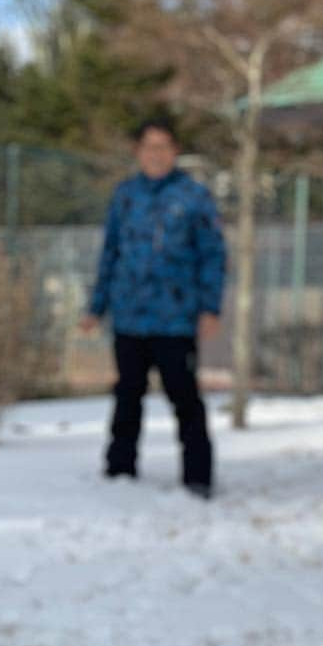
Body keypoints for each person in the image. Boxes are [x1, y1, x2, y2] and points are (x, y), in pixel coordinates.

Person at [82, 118, 227, 497]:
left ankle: (198, 477)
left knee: (184, 398)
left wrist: (210, 307)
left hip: (175, 319)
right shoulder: (125, 196)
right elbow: (110, 253)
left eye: (163, 147)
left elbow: (212, 254)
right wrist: (96, 306)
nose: (156, 154)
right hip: (129, 315)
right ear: (138, 152)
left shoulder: (194, 197)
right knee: (127, 395)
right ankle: (119, 471)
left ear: (175, 151)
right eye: (149, 147)